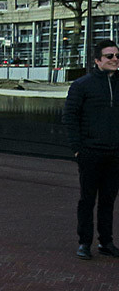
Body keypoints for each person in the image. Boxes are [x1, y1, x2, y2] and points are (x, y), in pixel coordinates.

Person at [63, 40, 119, 260]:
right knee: (87, 199)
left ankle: (106, 242)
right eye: (109, 56)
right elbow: (69, 117)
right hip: (90, 152)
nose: (115, 59)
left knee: (109, 200)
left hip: (115, 153)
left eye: (117, 55)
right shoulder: (82, 85)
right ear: (97, 61)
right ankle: (84, 243)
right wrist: (78, 149)